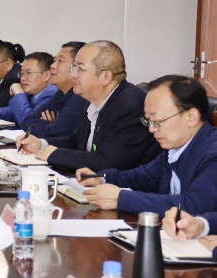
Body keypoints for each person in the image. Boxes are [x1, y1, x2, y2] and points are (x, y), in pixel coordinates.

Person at [75, 75, 217, 216]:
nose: (151, 129)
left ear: (191, 117)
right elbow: (144, 177)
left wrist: (121, 199)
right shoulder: (175, 148)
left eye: (157, 121)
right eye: (148, 120)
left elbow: (194, 205)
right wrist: (102, 178)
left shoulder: (213, 155)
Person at [16, 40, 161, 171]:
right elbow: (78, 141)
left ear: (105, 77)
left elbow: (108, 162)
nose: (73, 75)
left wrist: (55, 154)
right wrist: (42, 144)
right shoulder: (92, 101)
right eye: (74, 68)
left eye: (80, 69)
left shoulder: (129, 106)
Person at [19, 42, 89, 138]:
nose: (52, 66)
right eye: (54, 61)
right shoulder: (60, 93)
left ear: (77, 67)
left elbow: (56, 132)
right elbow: (27, 121)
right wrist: (51, 126)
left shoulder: (81, 97)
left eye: (60, 61)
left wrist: (52, 127)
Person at [0, 52, 57, 126]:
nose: (23, 78)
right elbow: (15, 112)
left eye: (29, 73)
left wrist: (19, 94)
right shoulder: (32, 93)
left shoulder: (52, 94)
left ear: (47, 75)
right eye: (22, 73)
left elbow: (29, 122)